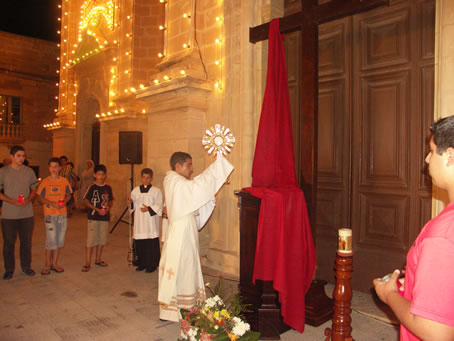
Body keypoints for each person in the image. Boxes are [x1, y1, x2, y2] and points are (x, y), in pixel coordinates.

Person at [373, 116, 454, 341]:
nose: (427, 159)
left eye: (431, 150)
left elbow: (435, 332)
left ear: (450, 156)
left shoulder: (442, 235)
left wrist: (389, 295)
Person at [158, 151, 233, 321]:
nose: (192, 169)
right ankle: (176, 309)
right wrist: (217, 167)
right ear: (178, 166)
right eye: (189, 165)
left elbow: (193, 195)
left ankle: (182, 308)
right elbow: (196, 188)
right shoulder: (174, 181)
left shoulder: (177, 182)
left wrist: (207, 195)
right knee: (182, 269)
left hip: (185, 231)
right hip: (180, 234)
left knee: (186, 268)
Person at [0, 145, 38, 280]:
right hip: (9, 214)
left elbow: (34, 188)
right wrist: (13, 202)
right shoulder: (3, 172)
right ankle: (9, 269)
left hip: (26, 214)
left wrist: (29, 199)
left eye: (23, 156)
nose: (22, 158)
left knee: (26, 242)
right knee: (9, 243)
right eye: (19, 156)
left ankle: (26, 266)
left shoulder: (29, 172)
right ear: (11, 156)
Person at [36, 157, 72, 275]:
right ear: (49, 168)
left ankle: (55, 263)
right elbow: (40, 197)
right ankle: (47, 264)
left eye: (56, 167)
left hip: (61, 215)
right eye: (51, 166)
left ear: (60, 168)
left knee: (59, 240)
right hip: (50, 215)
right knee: (51, 240)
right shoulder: (45, 182)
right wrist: (51, 203)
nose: (54, 169)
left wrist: (64, 202)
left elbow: (68, 195)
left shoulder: (64, 181)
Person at [129, 168, 162, 273]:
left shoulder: (156, 191)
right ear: (141, 177)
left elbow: (159, 205)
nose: (145, 180)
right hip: (139, 221)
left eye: (148, 178)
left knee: (150, 243)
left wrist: (148, 209)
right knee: (140, 243)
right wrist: (131, 203)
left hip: (150, 222)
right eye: (143, 177)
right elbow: (132, 206)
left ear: (151, 178)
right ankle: (141, 263)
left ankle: (151, 265)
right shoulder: (135, 191)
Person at [81, 164, 114, 272]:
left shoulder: (108, 188)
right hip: (94, 217)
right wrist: (96, 209)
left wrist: (108, 206)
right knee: (91, 240)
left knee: (102, 239)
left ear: (105, 175)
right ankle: (87, 262)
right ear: (94, 175)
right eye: (99, 174)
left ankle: (98, 259)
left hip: (104, 217)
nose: (101, 176)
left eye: (103, 174)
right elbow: (85, 200)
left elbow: (111, 200)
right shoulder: (92, 187)